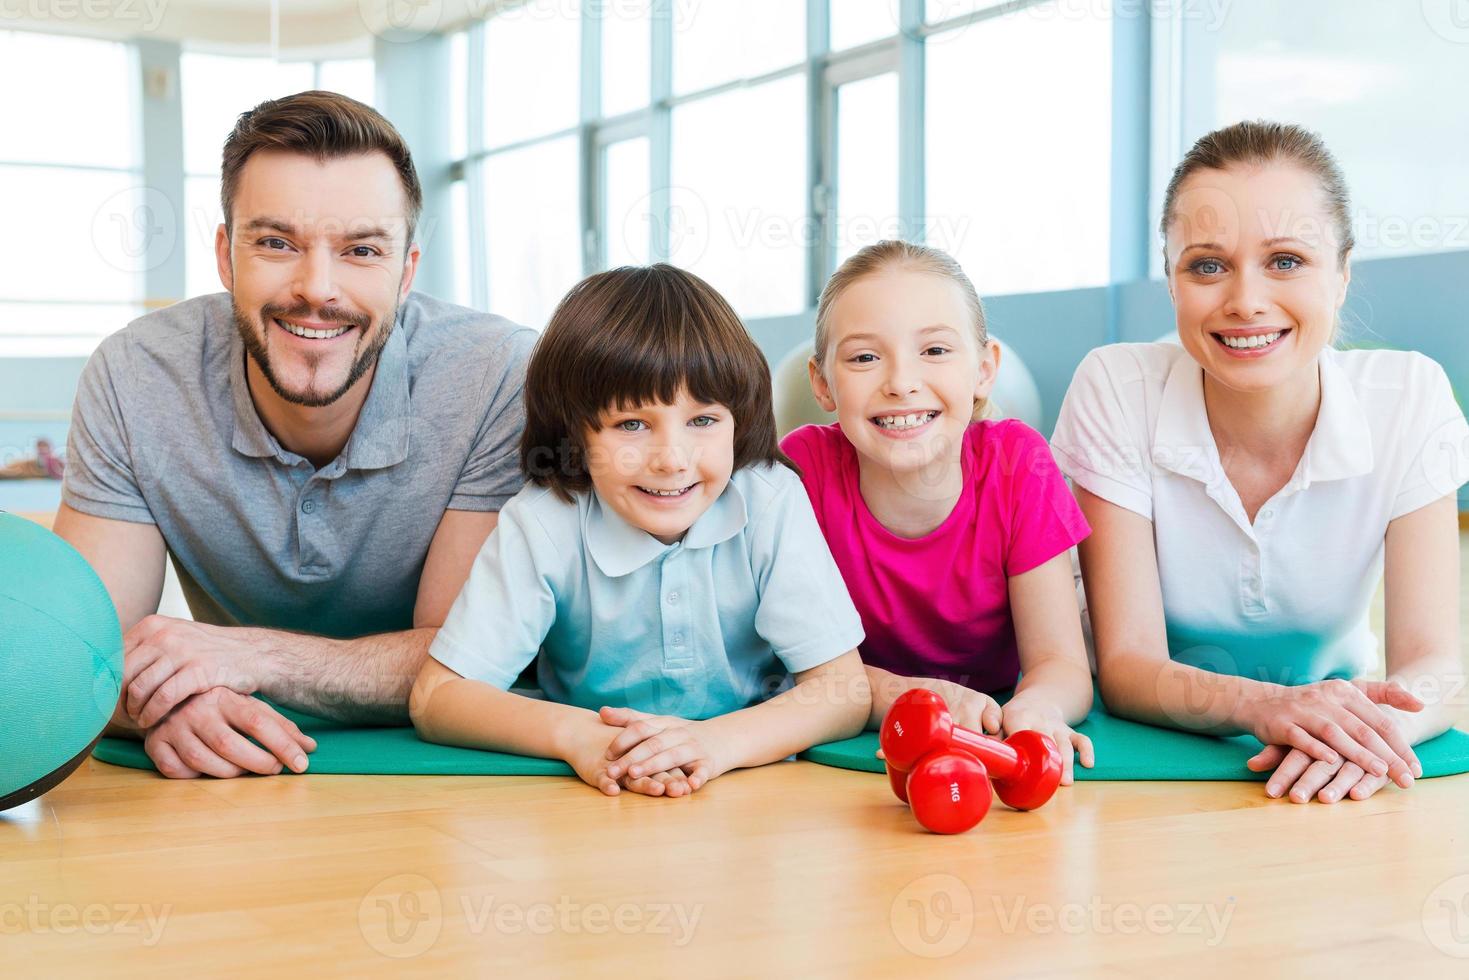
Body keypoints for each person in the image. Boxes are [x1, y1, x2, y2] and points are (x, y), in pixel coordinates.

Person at [55, 91, 535, 779]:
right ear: (226, 257)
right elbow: (84, 655)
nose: (317, 288)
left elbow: (466, 657)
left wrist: (253, 658)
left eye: (362, 250)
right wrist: (164, 701)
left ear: (406, 273)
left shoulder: (496, 375)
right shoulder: (136, 376)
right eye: (276, 243)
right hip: (229, 788)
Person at [1052, 120, 1469, 803]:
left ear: (1339, 276)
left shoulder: (1409, 397)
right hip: (1150, 749)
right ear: (1170, 281)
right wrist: (1266, 708)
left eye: (1284, 261)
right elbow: (1128, 666)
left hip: (1331, 735)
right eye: (1207, 265)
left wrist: (1365, 734)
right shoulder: (1116, 386)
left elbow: (1434, 667)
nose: (1244, 299)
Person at [410, 265, 870, 796]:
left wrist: (712, 744)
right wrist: (578, 735)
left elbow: (843, 692)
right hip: (593, 794)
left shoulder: (769, 498)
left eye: (703, 421)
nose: (672, 461)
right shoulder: (543, 519)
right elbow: (436, 698)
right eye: (631, 425)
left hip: (752, 782)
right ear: (575, 434)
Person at [783, 241, 1096, 784]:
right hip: (853, 741)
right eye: (864, 357)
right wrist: (912, 698)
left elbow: (1061, 665)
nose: (901, 382)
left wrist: (1038, 709)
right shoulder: (799, 473)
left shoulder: (1019, 464)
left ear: (984, 369)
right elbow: (778, 667)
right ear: (821, 381)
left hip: (988, 720)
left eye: (934, 351)